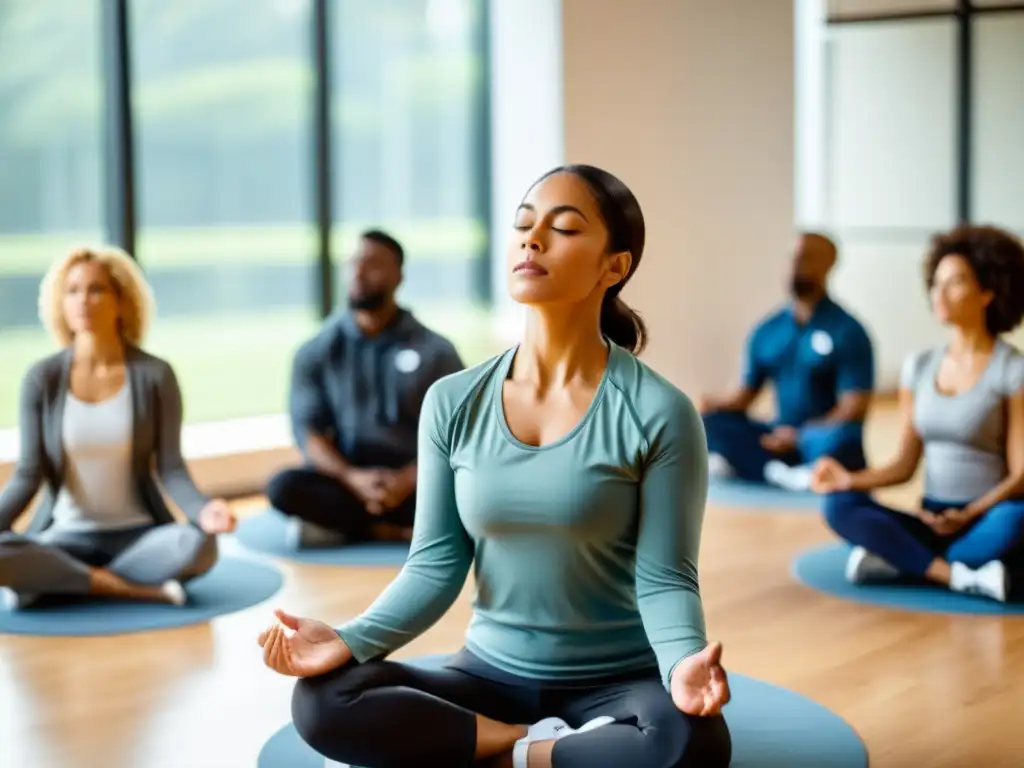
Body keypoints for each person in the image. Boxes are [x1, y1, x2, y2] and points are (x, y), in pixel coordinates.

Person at [257, 165, 732, 768]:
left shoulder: (659, 411)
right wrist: (348, 640)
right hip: (487, 677)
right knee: (324, 701)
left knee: (694, 744)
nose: (532, 240)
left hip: (616, 679)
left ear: (614, 266)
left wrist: (683, 663)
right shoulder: (453, 401)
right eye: (523, 225)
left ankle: (506, 753)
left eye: (563, 229)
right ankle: (521, 744)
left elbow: (664, 577)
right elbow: (434, 565)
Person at [0, 246, 236, 610]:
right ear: (59, 303)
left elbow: (171, 467)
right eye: (72, 290)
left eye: (97, 289)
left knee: (200, 545)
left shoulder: (155, 375)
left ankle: (68, 580)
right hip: (65, 536)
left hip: (138, 538)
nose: (83, 301)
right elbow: (27, 474)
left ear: (122, 300)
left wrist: (204, 511)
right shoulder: (41, 379)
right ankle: (126, 588)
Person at [811, 225, 1024, 603]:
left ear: (989, 291)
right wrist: (848, 480)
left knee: (1016, 519)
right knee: (839, 506)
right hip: (931, 518)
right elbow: (904, 465)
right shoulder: (920, 366)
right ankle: (955, 575)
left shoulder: (1012, 369)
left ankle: (901, 561)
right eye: (936, 283)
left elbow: (1021, 473)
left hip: (986, 518)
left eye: (955, 283)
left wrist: (972, 512)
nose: (938, 294)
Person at [265, 229, 465, 547]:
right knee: (282, 486)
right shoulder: (317, 350)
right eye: (353, 263)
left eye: (372, 264)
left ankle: (350, 528)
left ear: (398, 275)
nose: (358, 273)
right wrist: (353, 480)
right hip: (349, 481)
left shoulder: (436, 351)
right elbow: (309, 433)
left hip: (420, 480)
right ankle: (385, 530)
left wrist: (405, 481)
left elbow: (460, 434)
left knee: (474, 487)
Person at [699, 232, 875, 492]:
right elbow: (743, 396)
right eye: (792, 257)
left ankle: (774, 470)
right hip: (777, 433)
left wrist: (801, 436)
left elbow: (854, 406)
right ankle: (786, 472)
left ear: (829, 264)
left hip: (819, 437)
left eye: (806, 257)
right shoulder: (767, 330)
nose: (796, 264)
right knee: (710, 422)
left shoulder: (848, 331)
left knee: (844, 437)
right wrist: (707, 405)